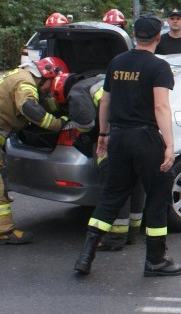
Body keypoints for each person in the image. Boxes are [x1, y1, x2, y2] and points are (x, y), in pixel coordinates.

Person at [73, 15, 181, 277]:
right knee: (157, 196)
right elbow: (160, 106)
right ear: (158, 37)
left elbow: (105, 102)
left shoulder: (116, 62)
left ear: (135, 35)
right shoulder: (159, 67)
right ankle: (155, 261)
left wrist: (103, 134)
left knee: (112, 196)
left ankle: (85, 256)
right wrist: (169, 145)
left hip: (119, 138)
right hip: (145, 139)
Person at [51, 71, 145, 251]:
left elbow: (86, 124)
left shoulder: (77, 93)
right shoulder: (99, 80)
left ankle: (116, 238)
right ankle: (132, 234)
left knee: (115, 187)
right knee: (135, 185)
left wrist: (71, 121)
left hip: (114, 140)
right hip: (138, 135)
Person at [0, 57, 69, 244]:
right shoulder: (26, 83)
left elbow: (43, 102)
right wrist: (57, 124)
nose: (50, 89)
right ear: (45, 75)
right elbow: (29, 108)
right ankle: (4, 231)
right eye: (51, 84)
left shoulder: (23, 75)